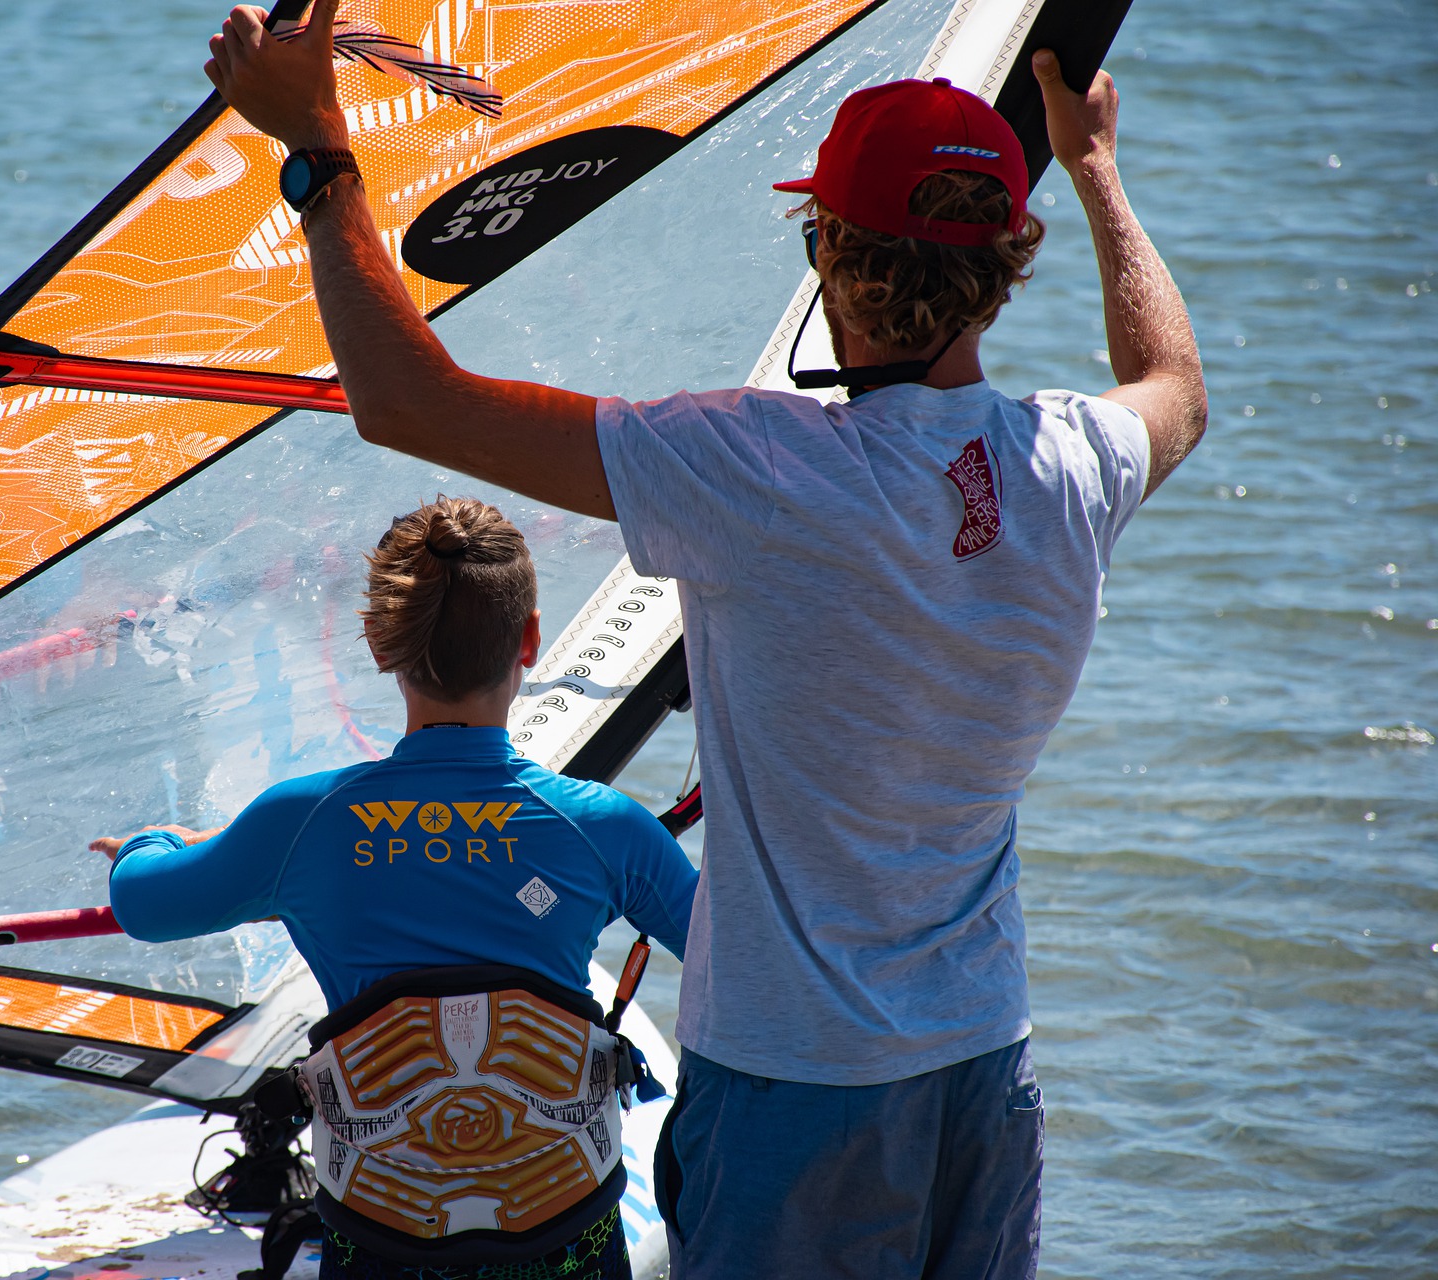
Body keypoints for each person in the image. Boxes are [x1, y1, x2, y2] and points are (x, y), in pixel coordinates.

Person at [204, 6, 1206, 1277]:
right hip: (983, 1071)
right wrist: (1104, 173)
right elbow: (1176, 381)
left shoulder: (757, 466)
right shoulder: (1077, 461)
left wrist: (318, 146)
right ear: (1012, 258)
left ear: (831, 255)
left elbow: (407, 400)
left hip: (797, 1089)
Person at [94, 495, 698, 1280]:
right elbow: (741, 962)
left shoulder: (300, 825)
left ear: (379, 643)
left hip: (382, 1243)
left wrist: (155, 843)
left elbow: (142, 903)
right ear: (530, 641)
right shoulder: (603, 829)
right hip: (563, 1236)